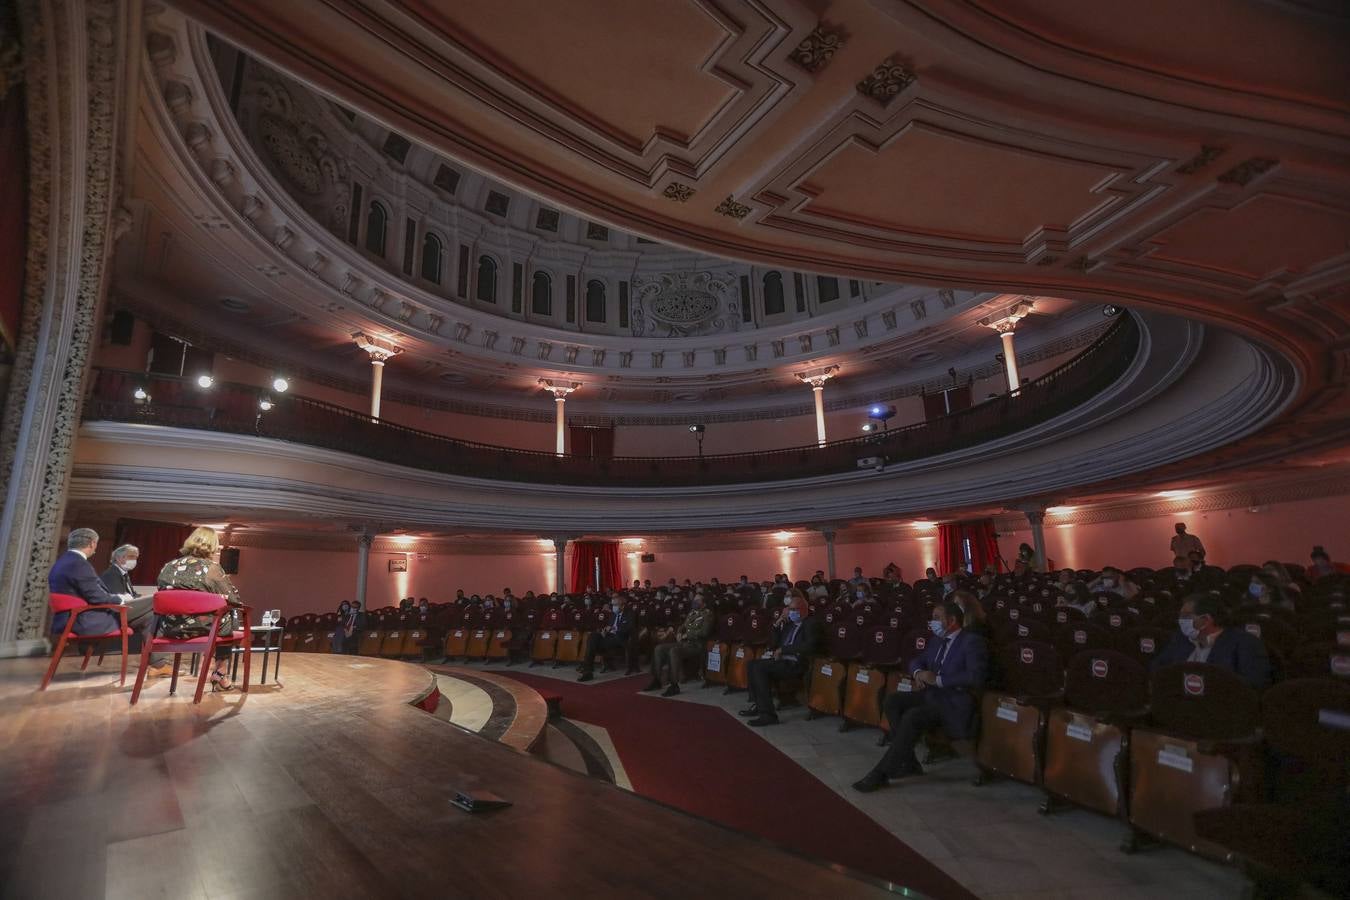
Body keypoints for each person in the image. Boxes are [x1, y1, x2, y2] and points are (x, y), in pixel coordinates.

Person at [853, 600, 989, 792]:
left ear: (951, 621)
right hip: (932, 696)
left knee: (913, 716)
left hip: (954, 703)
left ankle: (882, 773)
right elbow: (916, 660)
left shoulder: (972, 641)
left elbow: (976, 675)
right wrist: (918, 673)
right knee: (893, 701)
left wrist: (939, 680)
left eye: (936, 618)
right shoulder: (936, 640)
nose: (931, 622)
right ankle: (909, 762)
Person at [48, 528, 173, 677]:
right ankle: (160, 664)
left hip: (80, 616)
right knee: (156, 599)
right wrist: (120, 599)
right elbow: (97, 597)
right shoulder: (79, 564)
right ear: (92, 543)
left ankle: (158, 665)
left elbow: (93, 594)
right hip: (86, 618)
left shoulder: (65, 561)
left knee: (151, 617)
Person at [156, 526, 246, 691]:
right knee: (229, 613)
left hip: (170, 628)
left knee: (223, 615)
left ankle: (219, 672)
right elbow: (234, 600)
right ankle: (221, 671)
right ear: (212, 546)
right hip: (202, 629)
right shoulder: (211, 569)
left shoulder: (168, 567)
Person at [1152, 594, 1271, 690]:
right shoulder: (1181, 638)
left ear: (1206, 619)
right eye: (1181, 616)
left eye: (1186, 616)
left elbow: (1253, 684)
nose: (1181, 620)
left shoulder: (1245, 643)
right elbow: (1158, 667)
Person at [743, 591, 818, 726]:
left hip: (796, 663)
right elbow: (774, 642)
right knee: (751, 664)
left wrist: (784, 650)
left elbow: (809, 645)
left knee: (759, 668)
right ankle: (758, 705)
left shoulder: (810, 624)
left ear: (803, 610)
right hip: (782, 660)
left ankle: (768, 715)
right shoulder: (789, 624)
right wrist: (779, 622)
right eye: (789, 610)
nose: (791, 612)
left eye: (793, 610)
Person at [644, 593, 713, 697]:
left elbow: (704, 632)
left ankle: (674, 685)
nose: (694, 602)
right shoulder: (692, 613)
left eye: (697, 600)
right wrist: (680, 631)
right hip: (685, 643)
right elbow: (683, 625)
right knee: (659, 648)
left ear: (703, 602)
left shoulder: (708, 614)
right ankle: (657, 681)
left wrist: (687, 634)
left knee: (674, 651)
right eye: (694, 600)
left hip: (697, 645)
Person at [578, 594, 634, 681]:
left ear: (622, 605)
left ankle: (587, 669)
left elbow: (629, 628)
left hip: (620, 638)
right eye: (612, 605)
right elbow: (608, 626)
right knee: (593, 637)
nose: (613, 607)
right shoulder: (613, 614)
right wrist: (605, 631)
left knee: (592, 646)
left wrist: (614, 629)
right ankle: (587, 671)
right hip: (609, 637)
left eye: (615, 605)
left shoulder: (630, 614)